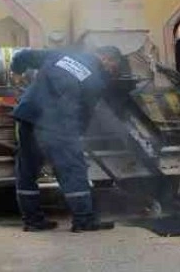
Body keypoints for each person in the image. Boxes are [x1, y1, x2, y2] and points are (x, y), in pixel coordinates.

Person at [10, 46, 125, 232]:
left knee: (27, 170)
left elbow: (22, 55)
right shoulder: (96, 79)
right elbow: (85, 112)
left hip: (29, 116)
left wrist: (16, 72)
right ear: (106, 59)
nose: (111, 70)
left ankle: (32, 221)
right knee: (73, 170)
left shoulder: (62, 54)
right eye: (113, 66)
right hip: (58, 125)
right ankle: (83, 220)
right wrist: (78, 135)